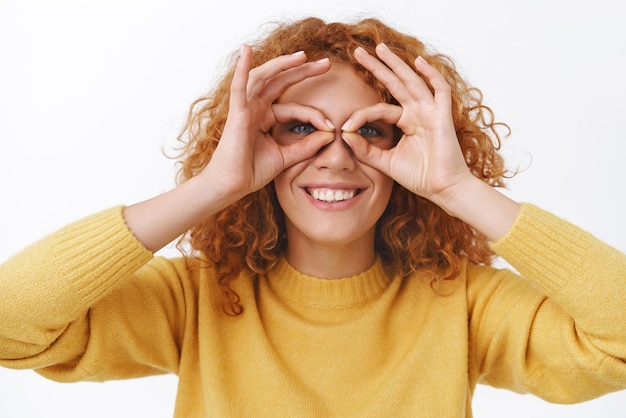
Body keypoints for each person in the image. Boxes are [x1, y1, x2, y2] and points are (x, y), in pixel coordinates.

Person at [1, 16, 625, 417]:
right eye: (299, 128)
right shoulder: (193, 299)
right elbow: (10, 324)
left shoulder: (461, 303)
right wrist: (215, 184)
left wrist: (455, 185)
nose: (335, 157)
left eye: (372, 132)